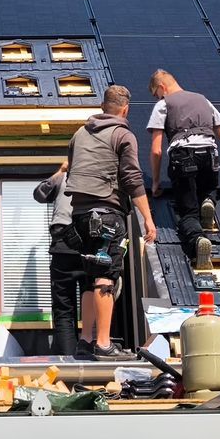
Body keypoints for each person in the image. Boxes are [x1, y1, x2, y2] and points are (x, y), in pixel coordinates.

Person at [62, 84, 158, 361]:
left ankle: (86, 341)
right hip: (106, 213)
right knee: (106, 277)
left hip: (79, 216)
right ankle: (104, 344)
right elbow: (132, 179)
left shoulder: (79, 134)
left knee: (91, 277)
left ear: (103, 106)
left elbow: (72, 170)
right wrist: (148, 220)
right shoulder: (122, 134)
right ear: (125, 109)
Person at [146, 69, 220, 275]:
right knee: (209, 188)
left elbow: (156, 149)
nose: (156, 97)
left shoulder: (163, 105)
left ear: (161, 87)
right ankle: (208, 200)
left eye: (155, 93)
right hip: (210, 154)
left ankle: (197, 240)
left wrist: (155, 182)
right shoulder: (204, 100)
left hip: (183, 156)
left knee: (187, 212)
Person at [33, 163, 95, 359]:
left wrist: (60, 171)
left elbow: (39, 194)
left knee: (64, 309)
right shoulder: (99, 173)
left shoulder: (65, 176)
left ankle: (70, 360)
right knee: (94, 300)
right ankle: (90, 354)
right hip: (91, 245)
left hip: (63, 246)